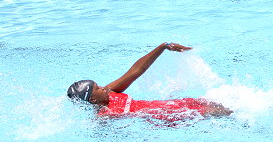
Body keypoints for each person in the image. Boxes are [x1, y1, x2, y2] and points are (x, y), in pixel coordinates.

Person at [66, 42, 232, 121]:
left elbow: (136, 71)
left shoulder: (109, 93)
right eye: (98, 88)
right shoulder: (105, 115)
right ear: (93, 99)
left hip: (167, 105)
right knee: (216, 112)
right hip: (163, 117)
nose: (103, 87)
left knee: (211, 103)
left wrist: (163, 47)